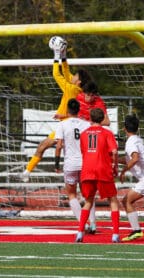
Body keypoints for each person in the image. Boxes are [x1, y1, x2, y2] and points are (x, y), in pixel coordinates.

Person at [22, 36, 92, 181]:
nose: (71, 76)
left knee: (43, 147)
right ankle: (27, 173)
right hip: (69, 124)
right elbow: (67, 72)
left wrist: (56, 55)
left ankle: (27, 173)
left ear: (78, 81)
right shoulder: (76, 88)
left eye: (75, 76)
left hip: (67, 126)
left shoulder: (70, 88)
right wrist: (64, 55)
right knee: (49, 148)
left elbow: (57, 74)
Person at [75, 108, 120, 243]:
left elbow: (84, 151)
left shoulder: (83, 134)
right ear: (102, 119)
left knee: (88, 201)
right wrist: (115, 165)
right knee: (113, 200)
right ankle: (115, 234)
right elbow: (114, 151)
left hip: (87, 169)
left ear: (90, 118)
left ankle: (80, 232)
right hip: (103, 169)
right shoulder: (107, 133)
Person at [55, 98, 96, 233]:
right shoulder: (86, 124)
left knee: (71, 194)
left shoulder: (62, 124)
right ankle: (93, 224)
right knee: (88, 195)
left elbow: (59, 145)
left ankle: (82, 224)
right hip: (85, 163)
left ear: (67, 110)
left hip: (70, 164)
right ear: (79, 110)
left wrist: (56, 164)